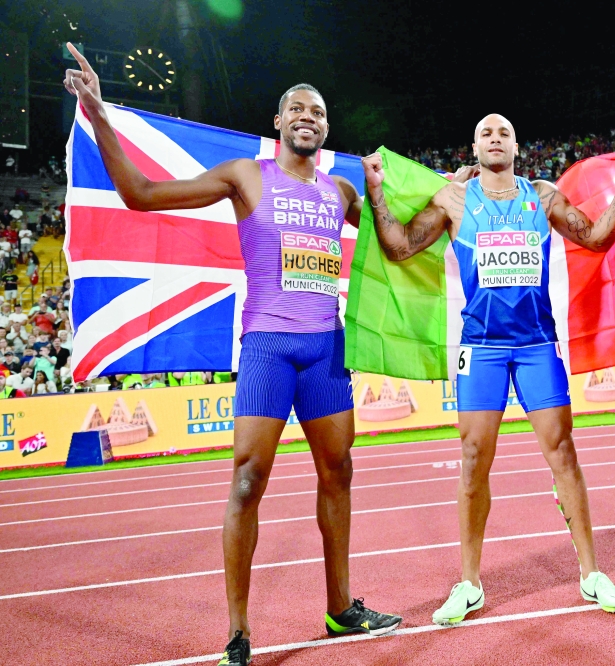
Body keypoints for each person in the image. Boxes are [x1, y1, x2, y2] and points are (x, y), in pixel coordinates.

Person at [63, 41, 400, 666]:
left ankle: (340, 608)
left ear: (326, 129)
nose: (308, 116)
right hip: (270, 345)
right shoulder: (247, 175)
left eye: (319, 112)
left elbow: (398, 242)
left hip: (327, 349)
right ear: (277, 123)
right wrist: (100, 114)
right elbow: (140, 193)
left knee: (340, 473)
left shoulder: (342, 192)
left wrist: (450, 189)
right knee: (247, 481)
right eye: (297, 108)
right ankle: (239, 632)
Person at [362, 114, 615, 626]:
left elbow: (597, 237)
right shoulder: (453, 200)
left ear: (515, 146)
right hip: (482, 348)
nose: (495, 138)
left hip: (536, 345)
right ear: (474, 145)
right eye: (486, 132)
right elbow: (399, 247)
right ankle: (469, 584)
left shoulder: (544, 196)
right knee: (472, 459)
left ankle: (592, 573)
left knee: (563, 452)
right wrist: (377, 191)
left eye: (503, 132)